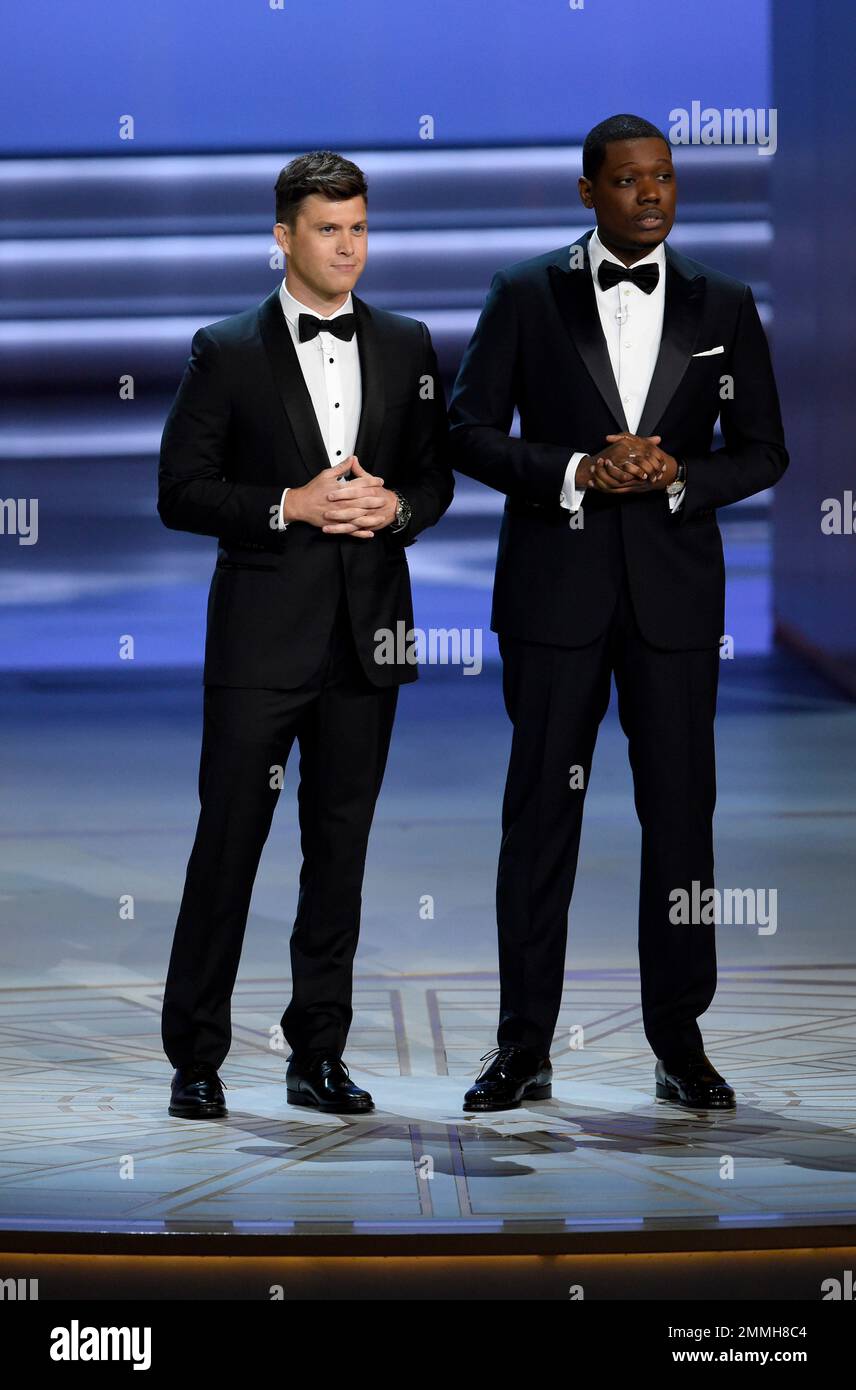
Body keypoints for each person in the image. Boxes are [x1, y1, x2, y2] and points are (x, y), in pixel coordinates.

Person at [448, 113, 788, 1113]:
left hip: (675, 603)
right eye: (629, 180)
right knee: (537, 821)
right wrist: (572, 470)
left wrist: (680, 475)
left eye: (665, 179)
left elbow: (762, 449)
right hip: (555, 595)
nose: (651, 194)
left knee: (682, 819)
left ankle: (679, 1040)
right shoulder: (523, 293)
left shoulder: (722, 302)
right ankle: (522, 1046)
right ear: (587, 190)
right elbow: (465, 431)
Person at [159, 150, 453, 1119]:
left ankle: (315, 1052)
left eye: (360, 227)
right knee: (228, 846)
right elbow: (180, 492)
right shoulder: (226, 350)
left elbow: (435, 478)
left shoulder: (409, 345)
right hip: (258, 646)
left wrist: (393, 506)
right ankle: (195, 1056)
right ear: (282, 236)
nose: (349, 247)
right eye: (329, 229)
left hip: (369, 642)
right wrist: (286, 505)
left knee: (340, 854)